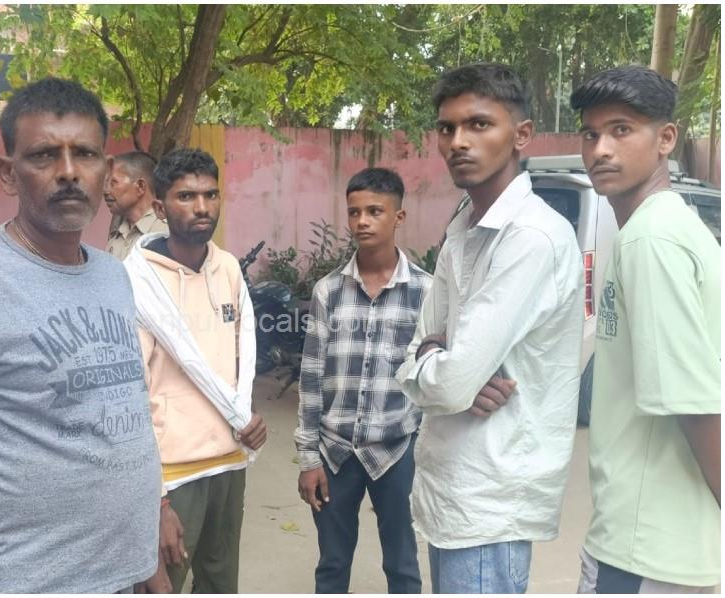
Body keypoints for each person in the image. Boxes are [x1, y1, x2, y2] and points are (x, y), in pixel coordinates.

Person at [0, 77, 162, 593]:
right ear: (9, 173)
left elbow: (125, 420)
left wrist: (151, 565)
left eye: (85, 154)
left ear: (106, 171)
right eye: (45, 155)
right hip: (29, 580)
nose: (68, 172)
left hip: (124, 572)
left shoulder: (113, 275)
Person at [395, 63, 583, 594]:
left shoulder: (531, 237)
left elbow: (449, 382)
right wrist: (436, 361)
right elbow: (422, 351)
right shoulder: (463, 230)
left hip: (492, 499)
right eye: (447, 127)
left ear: (521, 134)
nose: (458, 141)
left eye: (479, 124)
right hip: (451, 489)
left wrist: (440, 367)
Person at [570, 66, 720, 594]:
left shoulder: (651, 240)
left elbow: (694, 403)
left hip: (648, 550)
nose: (601, 150)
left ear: (666, 138)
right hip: (657, 541)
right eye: (590, 134)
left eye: (621, 130)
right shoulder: (666, 226)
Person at [124, 148, 266, 594]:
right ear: (160, 207)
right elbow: (130, 395)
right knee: (160, 586)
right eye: (186, 196)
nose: (202, 207)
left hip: (229, 459)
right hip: (172, 474)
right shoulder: (136, 281)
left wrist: (245, 412)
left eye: (210, 194)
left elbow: (241, 357)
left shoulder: (228, 268)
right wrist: (157, 502)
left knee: (220, 584)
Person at [294, 167, 431, 593]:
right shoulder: (329, 291)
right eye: (354, 212)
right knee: (332, 565)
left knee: (403, 564)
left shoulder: (425, 292)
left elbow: (432, 379)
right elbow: (312, 377)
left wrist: (426, 456)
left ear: (399, 217)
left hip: (397, 450)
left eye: (375, 211)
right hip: (335, 453)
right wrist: (309, 459)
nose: (362, 222)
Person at [106, 151, 168, 260]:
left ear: (140, 187)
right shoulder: (116, 237)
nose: (105, 191)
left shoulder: (167, 234)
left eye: (113, 183)